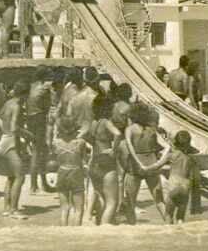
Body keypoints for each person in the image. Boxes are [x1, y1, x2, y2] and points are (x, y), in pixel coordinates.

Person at [140, 131, 200, 225]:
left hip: (173, 187)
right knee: (180, 217)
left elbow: (157, 165)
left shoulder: (171, 156)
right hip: (185, 187)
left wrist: (145, 168)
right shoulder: (190, 159)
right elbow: (194, 176)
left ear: (175, 143)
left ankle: (169, 233)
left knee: (168, 215)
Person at [123, 101, 167, 222]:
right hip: (152, 163)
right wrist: (160, 161)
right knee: (159, 201)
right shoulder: (151, 129)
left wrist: (138, 162)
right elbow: (167, 147)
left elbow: (130, 146)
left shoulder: (130, 129)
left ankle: (131, 229)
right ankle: (171, 225)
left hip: (135, 166)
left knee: (130, 202)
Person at [87, 93, 124, 225]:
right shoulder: (106, 122)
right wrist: (113, 150)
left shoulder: (93, 123)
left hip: (95, 161)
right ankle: (104, 228)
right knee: (112, 202)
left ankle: (99, 224)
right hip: (107, 161)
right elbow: (118, 134)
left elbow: (89, 139)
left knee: (100, 197)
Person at [0, 81, 29, 218]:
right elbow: (14, 127)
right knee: (20, 176)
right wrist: (29, 135)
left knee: (11, 177)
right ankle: (14, 210)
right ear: (24, 94)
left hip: (3, 139)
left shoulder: (7, 103)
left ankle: (7, 208)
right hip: (10, 142)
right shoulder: (16, 106)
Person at [53, 120, 89, 226]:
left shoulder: (56, 143)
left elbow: (55, 157)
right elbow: (84, 159)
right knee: (78, 209)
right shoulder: (80, 142)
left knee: (64, 208)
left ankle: (63, 233)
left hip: (62, 172)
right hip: (76, 172)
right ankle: (76, 234)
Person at [26, 67, 54, 193]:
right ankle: (35, 185)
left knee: (37, 152)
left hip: (31, 119)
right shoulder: (44, 89)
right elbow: (49, 106)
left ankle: (39, 183)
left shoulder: (31, 86)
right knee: (39, 153)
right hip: (39, 119)